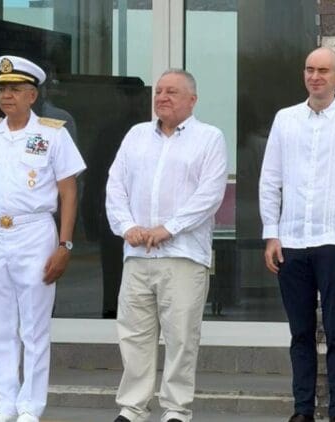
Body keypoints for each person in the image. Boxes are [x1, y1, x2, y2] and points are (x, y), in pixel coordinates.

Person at [0, 55, 86, 422]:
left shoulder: (53, 133)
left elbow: (69, 192)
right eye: (2, 89)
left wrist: (65, 244)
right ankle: (5, 402)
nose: (6, 96)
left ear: (33, 95)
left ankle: (31, 406)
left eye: (15, 89)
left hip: (34, 231)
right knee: (0, 325)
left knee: (33, 326)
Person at [105, 69, 227, 422]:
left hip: (184, 255)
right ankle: (132, 409)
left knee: (181, 337)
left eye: (172, 92)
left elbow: (210, 194)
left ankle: (176, 410)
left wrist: (168, 228)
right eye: (158, 91)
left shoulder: (209, 138)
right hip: (138, 254)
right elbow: (115, 186)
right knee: (134, 335)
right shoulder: (136, 135)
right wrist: (127, 226)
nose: (162, 97)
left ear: (192, 99)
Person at [259, 47, 335, 422]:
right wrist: (271, 233)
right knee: (300, 333)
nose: (315, 76)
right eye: (310, 69)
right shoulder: (285, 119)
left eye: (324, 70)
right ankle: (303, 410)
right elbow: (270, 179)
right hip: (292, 241)